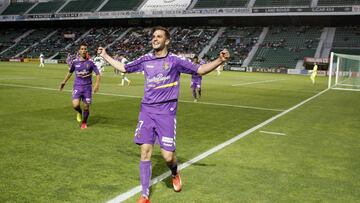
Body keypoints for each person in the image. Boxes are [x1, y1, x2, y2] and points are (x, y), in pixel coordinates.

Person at [98, 26, 229, 203]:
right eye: (153, 36)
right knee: (145, 152)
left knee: (168, 156)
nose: (155, 39)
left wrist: (219, 60)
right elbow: (124, 68)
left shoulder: (175, 60)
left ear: (167, 40)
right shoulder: (145, 59)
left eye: (159, 36)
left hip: (166, 114)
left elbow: (200, 70)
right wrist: (105, 56)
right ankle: (144, 195)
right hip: (146, 111)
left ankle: (174, 173)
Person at [59, 42, 101, 129]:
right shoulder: (75, 62)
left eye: (85, 49)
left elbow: (98, 74)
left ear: (87, 50)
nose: (83, 50)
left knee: (86, 107)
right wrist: (64, 82)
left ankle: (84, 123)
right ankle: (79, 112)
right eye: (82, 49)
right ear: (79, 51)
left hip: (87, 88)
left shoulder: (91, 62)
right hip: (77, 86)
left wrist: (97, 84)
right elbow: (70, 72)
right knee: (75, 105)